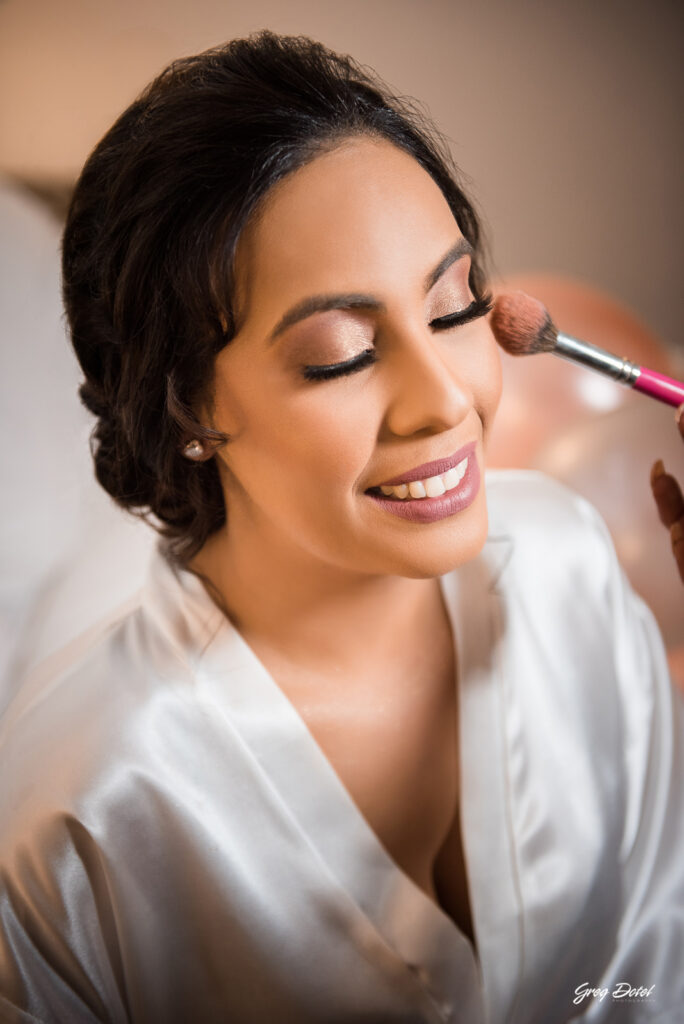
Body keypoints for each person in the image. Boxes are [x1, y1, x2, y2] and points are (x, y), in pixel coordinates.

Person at [0, 31, 682, 1024]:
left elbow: (651, 973)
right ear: (189, 408)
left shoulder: (569, 564)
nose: (443, 401)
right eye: (342, 353)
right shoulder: (77, 811)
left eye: (455, 307)